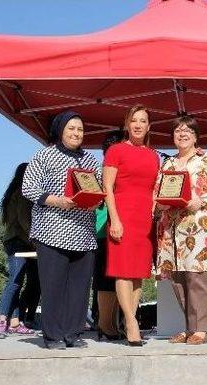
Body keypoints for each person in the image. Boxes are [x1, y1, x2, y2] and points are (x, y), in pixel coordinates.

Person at [22, 110, 100, 349]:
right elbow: (28, 188)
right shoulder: (44, 156)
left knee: (79, 288)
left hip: (83, 234)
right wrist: (57, 200)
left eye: (80, 129)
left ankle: (73, 333)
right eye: (71, 128)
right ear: (60, 131)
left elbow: (96, 192)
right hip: (51, 231)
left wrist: (96, 200)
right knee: (53, 286)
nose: (77, 133)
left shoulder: (90, 161)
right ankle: (53, 335)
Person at [155, 116, 207, 345]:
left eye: (187, 130)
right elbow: (157, 194)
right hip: (172, 232)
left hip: (200, 229)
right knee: (178, 280)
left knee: (199, 278)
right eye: (177, 130)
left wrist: (201, 200)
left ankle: (202, 330)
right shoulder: (167, 164)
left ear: (196, 135)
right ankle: (189, 328)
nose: (182, 134)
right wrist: (160, 203)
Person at [103, 105, 160, 346]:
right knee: (123, 271)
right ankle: (130, 321)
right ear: (127, 125)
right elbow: (107, 188)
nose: (138, 125)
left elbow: (155, 189)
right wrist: (114, 219)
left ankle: (130, 318)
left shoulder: (154, 155)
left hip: (145, 220)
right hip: (122, 216)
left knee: (138, 274)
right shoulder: (115, 151)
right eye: (133, 120)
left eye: (143, 121)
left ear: (149, 126)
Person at [0, 163, 37, 337]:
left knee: (18, 280)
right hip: (19, 242)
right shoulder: (23, 193)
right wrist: (35, 240)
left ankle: (15, 322)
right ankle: (1, 319)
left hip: (12, 241)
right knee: (16, 280)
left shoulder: (11, 194)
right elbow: (25, 220)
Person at [92, 130, 123, 341]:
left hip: (123, 229)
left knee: (117, 279)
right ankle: (105, 324)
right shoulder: (99, 171)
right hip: (103, 230)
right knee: (106, 280)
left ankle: (112, 324)